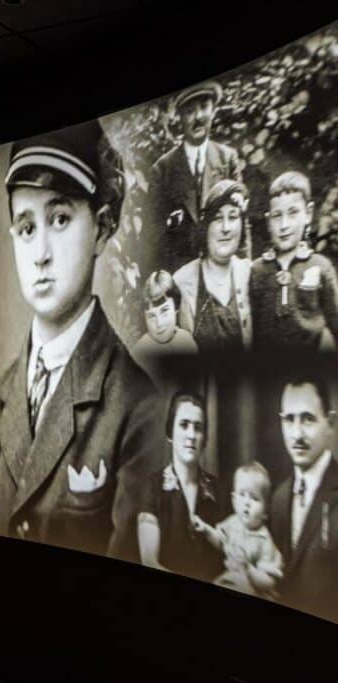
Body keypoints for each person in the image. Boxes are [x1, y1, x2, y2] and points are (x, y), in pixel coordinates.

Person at [0, 121, 160, 559]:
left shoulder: (138, 409)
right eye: (25, 228)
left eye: (59, 219)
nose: (40, 254)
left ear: (101, 227)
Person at [148, 81, 242, 274]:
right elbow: (154, 238)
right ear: (180, 118)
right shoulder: (163, 169)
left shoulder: (228, 159)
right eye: (190, 111)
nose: (198, 117)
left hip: (222, 270)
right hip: (180, 275)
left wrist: (244, 269)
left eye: (204, 108)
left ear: (214, 111)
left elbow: (240, 219)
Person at [269, 377, 338, 622]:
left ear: (330, 423)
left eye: (308, 419)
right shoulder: (277, 498)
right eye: (289, 420)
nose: (296, 433)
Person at [137, 392, 224, 582]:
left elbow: (234, 554)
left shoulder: (219, 491)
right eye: (184, 425)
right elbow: (149, 561)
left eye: (198, 428)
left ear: (205, 438)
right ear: (170, 433)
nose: (191, 435)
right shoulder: (153, 488)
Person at [250, 171, 338, 350]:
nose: (284, 225)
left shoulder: (321, 266)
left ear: (308, 214)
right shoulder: (257, 270)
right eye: (277, 215)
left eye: (293, 213)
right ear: (268, 221)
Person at [173, 179, 253, 352]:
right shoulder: (181, 282)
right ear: (205, 227)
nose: (226, 228)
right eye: (217, 218)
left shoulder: (251, 275)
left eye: (232, 217)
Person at [193, 462, 282, 598]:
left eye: (254, 498)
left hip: (255, 590)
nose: (247, 502)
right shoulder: (232, 523)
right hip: (232, 579)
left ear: (265, 511)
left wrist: (249, 570)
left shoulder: (264, 540)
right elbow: (221, 541)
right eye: (242, 495)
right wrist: (206, 529)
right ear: (234, 500)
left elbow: (269, 581)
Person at [130, 270, 199, 391]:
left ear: (176, 307)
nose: (159, 323)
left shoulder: (186, 341)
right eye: (151, 316)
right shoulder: (140, 353)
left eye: (164, 311)